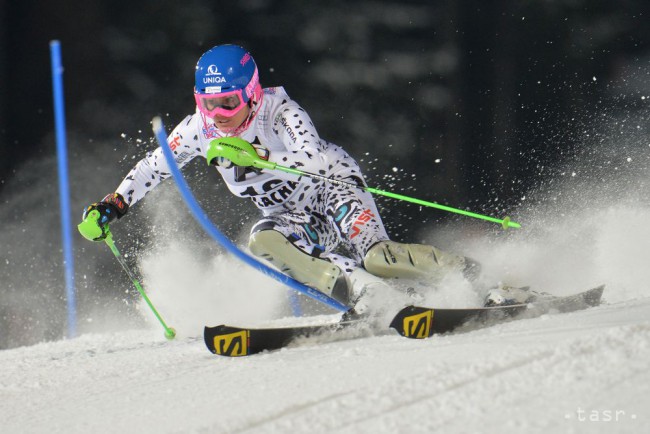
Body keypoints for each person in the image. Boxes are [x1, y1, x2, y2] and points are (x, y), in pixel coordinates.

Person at [81, 44, 531, 313]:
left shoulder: (281, 111)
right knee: (263, 240)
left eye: (230, 104)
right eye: (208, 103)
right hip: (293, 215)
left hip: (334, 190)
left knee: (379, 257)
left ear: (253, 93)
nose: (218, 116)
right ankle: (363, 294)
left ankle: (481, 280)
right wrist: (112, 206)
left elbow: (312, 158)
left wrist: (256, 153)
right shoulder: (198, 129)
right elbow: (152, 167)